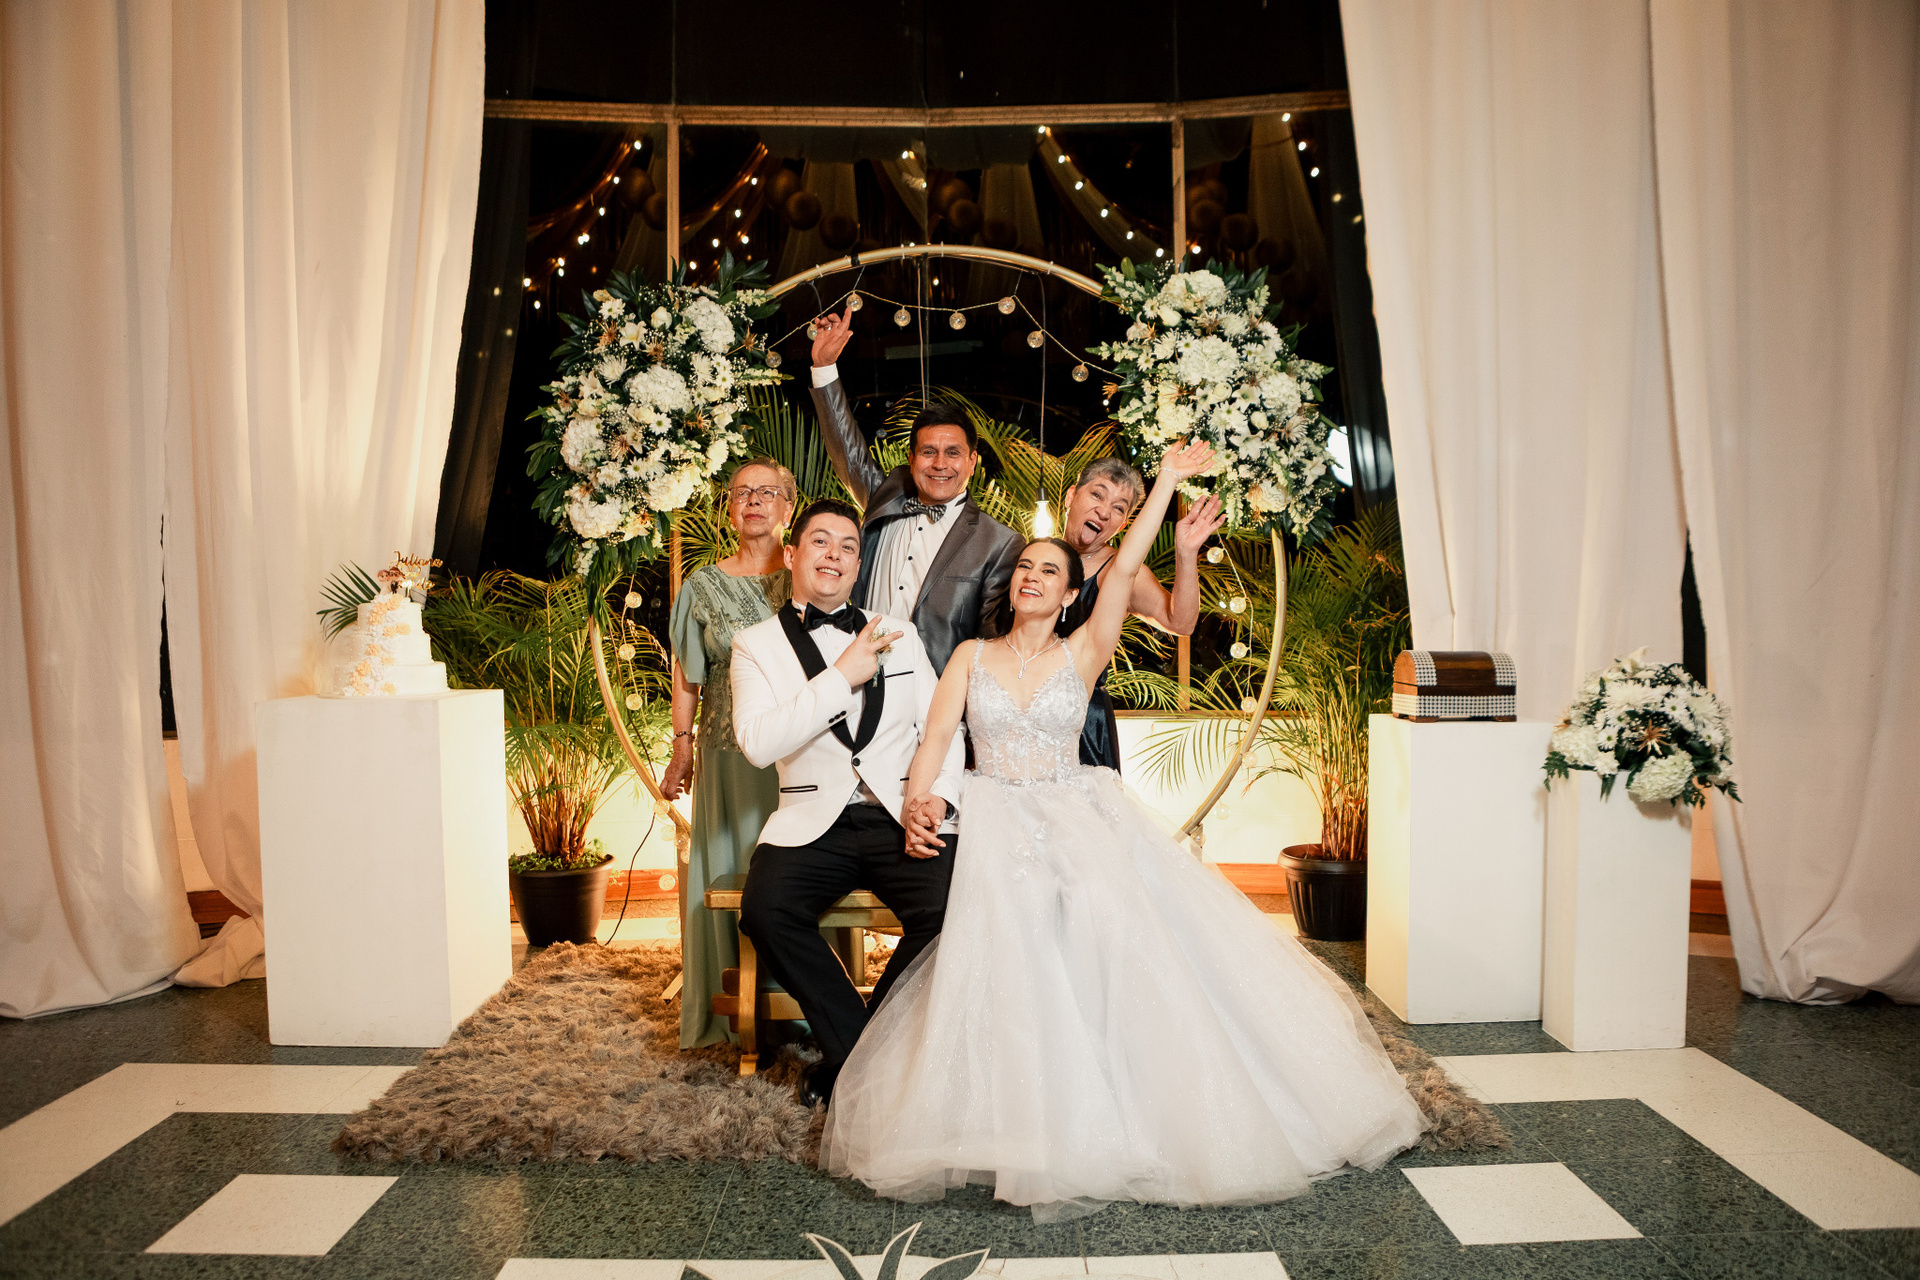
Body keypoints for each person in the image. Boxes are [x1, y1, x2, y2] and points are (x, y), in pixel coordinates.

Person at [820, 441, 1428, 1220]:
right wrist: (918, 803)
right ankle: (1013, 1121)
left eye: (1049, 571)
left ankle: (1119, 1100)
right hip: (995, 815)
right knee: (1006, 957)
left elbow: (1133, 566)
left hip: (1075, 811)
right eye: (1025, 568)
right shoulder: (970, 655)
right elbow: (936, 739)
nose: (1033, 577)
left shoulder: (1086, 647)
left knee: (1104, 938)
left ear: (1072, 590)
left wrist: (1168, 484)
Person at [729, 499, 965, 1108]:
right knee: (765, 910)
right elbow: (758, 744)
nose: (834, 555)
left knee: (951, 910)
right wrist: (842, 674)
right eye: (820, 542)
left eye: (848, 547)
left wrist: (936, 799)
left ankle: (847, 1060)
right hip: (810, 821)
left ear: (859, 565)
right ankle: (866, 1058)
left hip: (898, 814)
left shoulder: (900, 632)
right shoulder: (753, 645)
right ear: (791, 555)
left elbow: (943, 728)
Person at [808, 308, 1023, 677]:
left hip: (933, 691)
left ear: (972, 461)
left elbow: (993, 640)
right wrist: (824, 367)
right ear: (911, 459)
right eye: (928, 452)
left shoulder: (999, 543)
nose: (940, 464)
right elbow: (846, 449)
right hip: (853, 675)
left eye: (953, 453)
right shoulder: (885, 496)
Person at [661, 459, 796, 1049]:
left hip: (799, 754)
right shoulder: (701, 586)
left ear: (789, 506)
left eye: (767, 492)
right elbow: (687, 677)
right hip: (725, 753)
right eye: (742, 493)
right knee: (729, 869)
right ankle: (729, 1011)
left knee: (797, 871)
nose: (754, 502)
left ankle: (806, 1006)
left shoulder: (810, 573)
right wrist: (681, 749)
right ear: (730, 508)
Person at [1052, 457, 1225, 770]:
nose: (1104, 512)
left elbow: (1181, 622)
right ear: (1071, 496)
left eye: (1119, 508)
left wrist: (1186, 554)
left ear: (1123, 525)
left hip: (1084, 722)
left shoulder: (1120, 573)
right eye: (1097, 495)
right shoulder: (1033, 558)